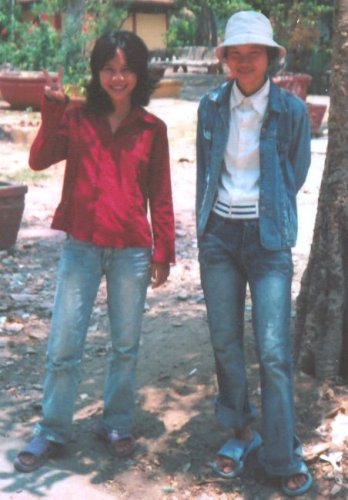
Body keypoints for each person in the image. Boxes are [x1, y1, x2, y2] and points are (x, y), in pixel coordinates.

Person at [14, 30, 175, 472]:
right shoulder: (78, 117)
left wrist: (164, 250)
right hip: (81, 246)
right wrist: (52, 108)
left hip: (132, 252)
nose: (117, 78)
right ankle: (52, 429)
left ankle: (116, 422)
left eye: (126, 70)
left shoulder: (152, 129)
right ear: (97, 72)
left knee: (125, 345)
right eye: (109, 69)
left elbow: (160, 193)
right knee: (65, 341)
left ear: (138, 74)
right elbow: (39, 160)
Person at [196, 10, 313, 497]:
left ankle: (281, 451)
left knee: (273, 351)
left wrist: (270, 212)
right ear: (225, 58)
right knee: (225, 341)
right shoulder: (210, 106)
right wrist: (207, 228)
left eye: (254, 53)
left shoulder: (291, 111)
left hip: (267, 240)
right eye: (236, 53)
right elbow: (206, 170)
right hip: (220, 237)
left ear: (270, 58)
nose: (245, 62)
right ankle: (241, 430)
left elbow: (297, 170)